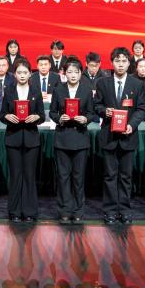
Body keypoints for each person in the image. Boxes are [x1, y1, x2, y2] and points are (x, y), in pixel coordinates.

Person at [93, 46, 145, 225]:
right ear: (112, 62)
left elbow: (142, 108)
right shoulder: (102, 83)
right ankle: (109, 211)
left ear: (129, 63)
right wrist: (105, 111)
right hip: (109, 136)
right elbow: (96, 105)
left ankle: (124, 210)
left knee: (126, 176)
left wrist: (132, 125)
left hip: (128, 136)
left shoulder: (137, 84)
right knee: (109, 175)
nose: (121, 64)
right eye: (117, 61)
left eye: (124, 61)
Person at [49, 58, 97, 223]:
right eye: (69, 72)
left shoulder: (86, 90)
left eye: (76, 72)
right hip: (62, 137)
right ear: (64, 73)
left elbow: (91, 113)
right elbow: (52, 112)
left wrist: (85, 119)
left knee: (78, 177)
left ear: (80, 73)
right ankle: (64, 209)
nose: (73, 75)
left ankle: (78, 210)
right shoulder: (58, 90)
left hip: (80, 138)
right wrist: (59, 118)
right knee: (63, 177)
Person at [0, 58, 43, 222]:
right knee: (16, 175)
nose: (22, 75)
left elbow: (42, 115)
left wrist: (36, 117)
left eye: (25, 72)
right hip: (13, 138)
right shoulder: (9, 91)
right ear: (15, 74)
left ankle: (30, 211)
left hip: (31, 139)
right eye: (19, 72)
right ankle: (15, 211)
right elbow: (2, 114)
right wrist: (7, 116)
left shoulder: (36, 91)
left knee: (29, 175)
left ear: (30, 73)